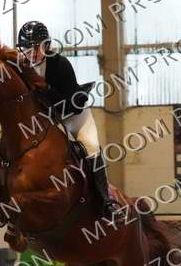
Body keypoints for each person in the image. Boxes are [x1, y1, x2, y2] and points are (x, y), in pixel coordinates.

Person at [16, 21, 118, 216]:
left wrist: (46, 89)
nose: (32, 53)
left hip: (74, 116)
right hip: (49, 120)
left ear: (46, 45)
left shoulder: (60, 64)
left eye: (37, 48)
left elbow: (72, 104)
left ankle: (106, 201)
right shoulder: (21, 68)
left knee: (91, 147)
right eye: (27, 48)